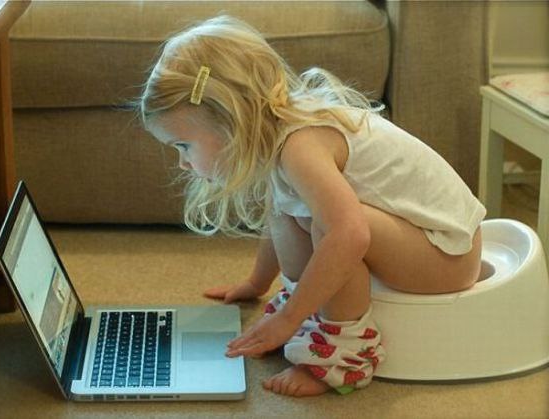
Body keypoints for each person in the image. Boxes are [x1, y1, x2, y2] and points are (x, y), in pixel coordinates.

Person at [137, 15, 485, 397]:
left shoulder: (301, 146)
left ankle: (341, 359)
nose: (183, 163)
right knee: (294, 211)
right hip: (423, 240)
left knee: (334, 230)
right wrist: (256, 283)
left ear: (231, 122)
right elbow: (279, 213)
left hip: (448, 255)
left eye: (183, 146)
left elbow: (350, 235)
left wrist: (288, 319)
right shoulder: (279, 134)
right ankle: (312, 310)